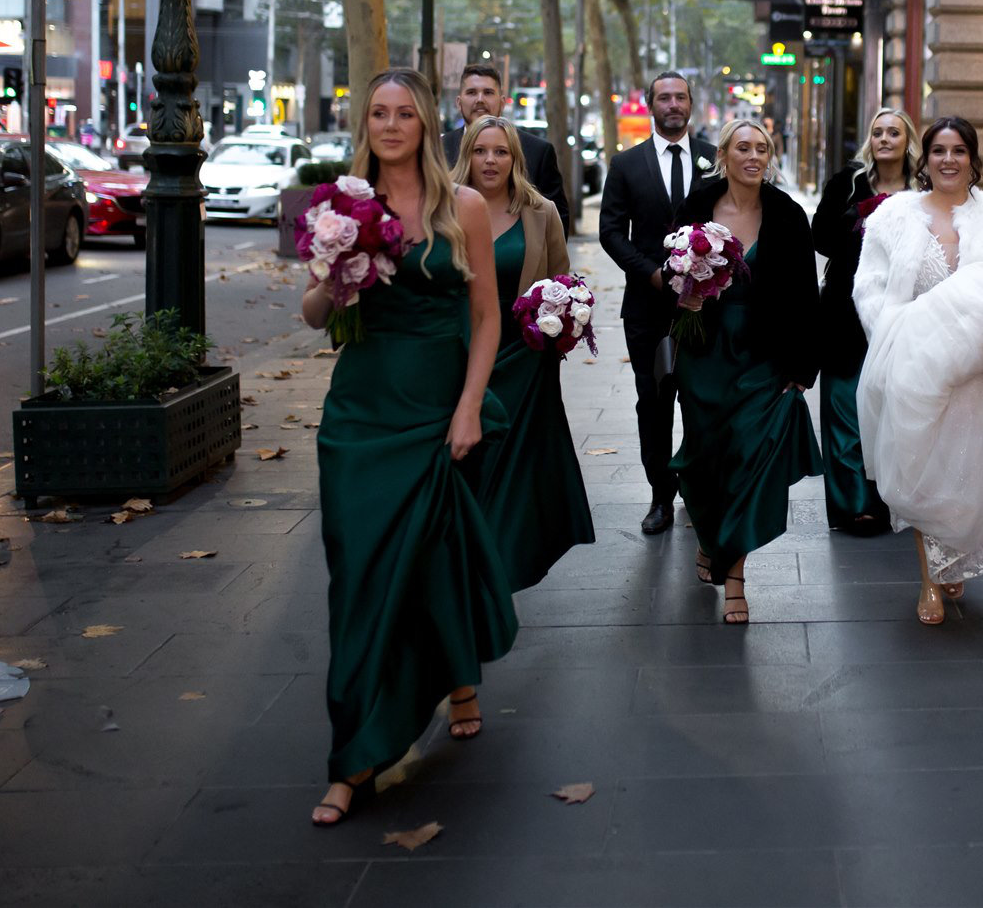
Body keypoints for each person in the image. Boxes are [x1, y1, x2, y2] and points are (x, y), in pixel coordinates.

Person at [301, 68, 516, 826]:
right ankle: (359, 741)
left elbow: (487, 318)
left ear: (426, 122)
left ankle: (381, 738)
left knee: (429, 560)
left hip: (432, 409)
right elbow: (312, 312)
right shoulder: (341, 201)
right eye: (378, 113)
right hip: (358, 415)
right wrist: (335, 268)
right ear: (365, 123)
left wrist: (468, 409)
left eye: (404, 113)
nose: (390, 125)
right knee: (358, 576)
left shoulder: (462, 207)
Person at [853, 117, 983, 625]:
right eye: (938, 150)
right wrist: (895, 336)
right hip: (914, 367)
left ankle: (954, 552)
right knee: (921, 469)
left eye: (958, 151)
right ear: (925, 158)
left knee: (970, 473)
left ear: (972, 158)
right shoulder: (894, 216)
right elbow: (868, 285)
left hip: (982, 370)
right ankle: (929, 579)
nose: (947, 160)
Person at [670, 117, 821, 624]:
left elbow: (806, 295)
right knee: (703, 458)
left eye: (762, 148)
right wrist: (686, 292)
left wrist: (804, 365)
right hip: (705, 354)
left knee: (747, 461)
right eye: (743, 147)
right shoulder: (697, 206)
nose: (753, 156)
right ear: (725, 155)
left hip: (764, 357)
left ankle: (734, 575)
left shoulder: (787, 215)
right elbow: (673, 273)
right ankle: (711, 536)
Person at [452, 114, 595, 591]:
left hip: (524, 363)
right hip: (458, 358)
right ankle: (465, 563)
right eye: (480, 150)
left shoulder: (541, 212)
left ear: (515, 158)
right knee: (466, 464)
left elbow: (561, 280)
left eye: (501, 151)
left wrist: (563, 320)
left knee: (511, 472)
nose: (490, 160)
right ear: (466, 154)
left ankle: (496, 570)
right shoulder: (442, 209)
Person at [596, 71, 716, 535]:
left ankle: (698, 486)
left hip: (705, 308)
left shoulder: (712, 159)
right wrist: (650, 272)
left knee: (701, 400)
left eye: (680, 97)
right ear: (650, 104)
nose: (672, 104)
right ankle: (660, 497)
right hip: (646, 309)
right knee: (654, 405)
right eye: (664, 97)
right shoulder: (626, 164)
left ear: (690, 104)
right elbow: (610, 231)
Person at [811, 107, 919, 533]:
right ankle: (854, 503)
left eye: (894, 132)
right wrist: (860, 216)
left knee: (896, 408)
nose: (885, 139)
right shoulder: (847, 182)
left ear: (908, 140)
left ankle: (894, 501)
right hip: (845, 309)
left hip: (905, 311)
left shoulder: (923, 186)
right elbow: (820, 238)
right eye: (878, 132)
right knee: (843, 406)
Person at [440, 62, 571, 226]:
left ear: (502, 102)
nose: (480, 99)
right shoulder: (437, 149)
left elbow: (557, 224)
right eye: (472, 92)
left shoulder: (538, 152)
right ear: (459, 102)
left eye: (488, 92)